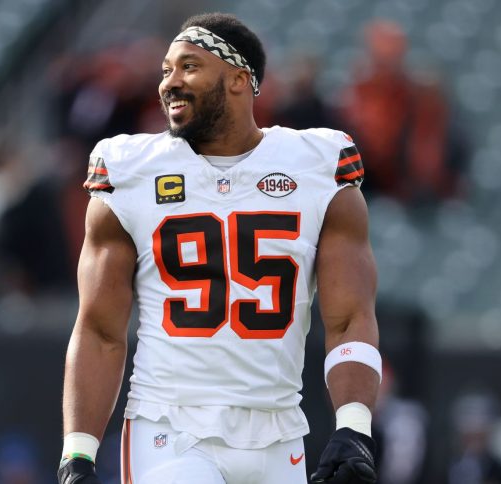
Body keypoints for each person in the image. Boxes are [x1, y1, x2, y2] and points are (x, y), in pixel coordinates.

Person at [60, 13, 381, 484]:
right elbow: (100, 327)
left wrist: (354, 426)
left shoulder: (316, 165)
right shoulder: (130, 170)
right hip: (169, 429)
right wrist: (78, 452)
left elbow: (350, 315)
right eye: (165, 70)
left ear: (238, 79)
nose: (169, 83)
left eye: (188, 67)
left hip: (280, 433)